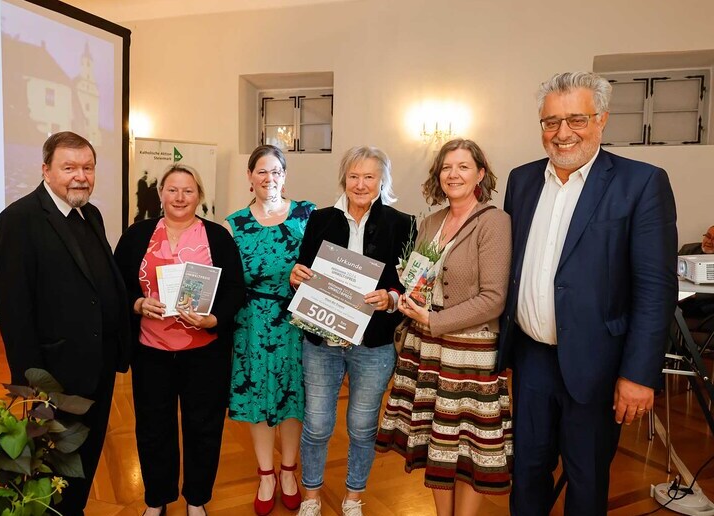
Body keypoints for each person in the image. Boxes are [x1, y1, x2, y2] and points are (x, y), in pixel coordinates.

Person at [498, 72, 678, 515]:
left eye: (576, 119)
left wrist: (639, 375)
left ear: (602, 120)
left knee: (586, 478)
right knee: (526, 471)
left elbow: (655, 289)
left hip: (598, 365)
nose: (562, 133)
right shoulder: (522, 181)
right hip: (531, 359)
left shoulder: (640, 183)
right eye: (551, 122)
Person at [0, 131, 131, 516]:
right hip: (54, 376)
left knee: (86, 456)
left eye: (87, 167)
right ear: (46, 170)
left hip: (98, 365)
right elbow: (13, 310)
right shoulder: (19, 220)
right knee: (52, 465)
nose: (80, 176)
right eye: (69, 167)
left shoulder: (91, 213)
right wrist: (33, 384)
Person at [376, 138, 512, 516]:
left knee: (469, 447)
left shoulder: (494, 222)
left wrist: (434, 320)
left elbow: (493, 299)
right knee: (437, 443)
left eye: (463, 166)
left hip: (470, 354)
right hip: (427, 348)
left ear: (480, 174)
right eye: (446, 167)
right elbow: (417, 279)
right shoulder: (431, 222)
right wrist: (407, 298)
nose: (453, 174)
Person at [290, 146, 415, 516]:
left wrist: (391, 297)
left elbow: (408, 285)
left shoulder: (402, 223)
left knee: (362, 427)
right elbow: (304, 270)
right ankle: (311, 497)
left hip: (373, 344)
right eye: (354, 176)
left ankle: (353, 497)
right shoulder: (319, 219)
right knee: (316, 424)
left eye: (369, 177)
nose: (360, 184)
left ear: (382, 181)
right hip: (321, 339)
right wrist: (296, 276)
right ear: (344, 178)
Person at [114, 164, 246, 516]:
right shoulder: (137, 235)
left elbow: (235, 289)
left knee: (203, 427)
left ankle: (197, 498)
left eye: (188, 190)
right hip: (151, 352)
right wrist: (138, 304)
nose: (180, 197)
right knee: (153, 428)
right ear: (160, 193)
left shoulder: (218, 237)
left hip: (204, 353)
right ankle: (156, 498)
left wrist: (213, 318)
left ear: (199, 195)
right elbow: (115, 285)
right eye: (172, 189)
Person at [226, 145, 315, 515]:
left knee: (294, 396)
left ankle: (289, 470)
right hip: (251, 324)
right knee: (258, 398)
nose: (269, 178)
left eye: (276, 171)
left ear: (285, 175)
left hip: (297, 321)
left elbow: (325, 268)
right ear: (249, 177)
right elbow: (227, 280)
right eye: (261, 171)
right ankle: (266, 474)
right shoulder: (234, 224)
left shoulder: (307, 215)